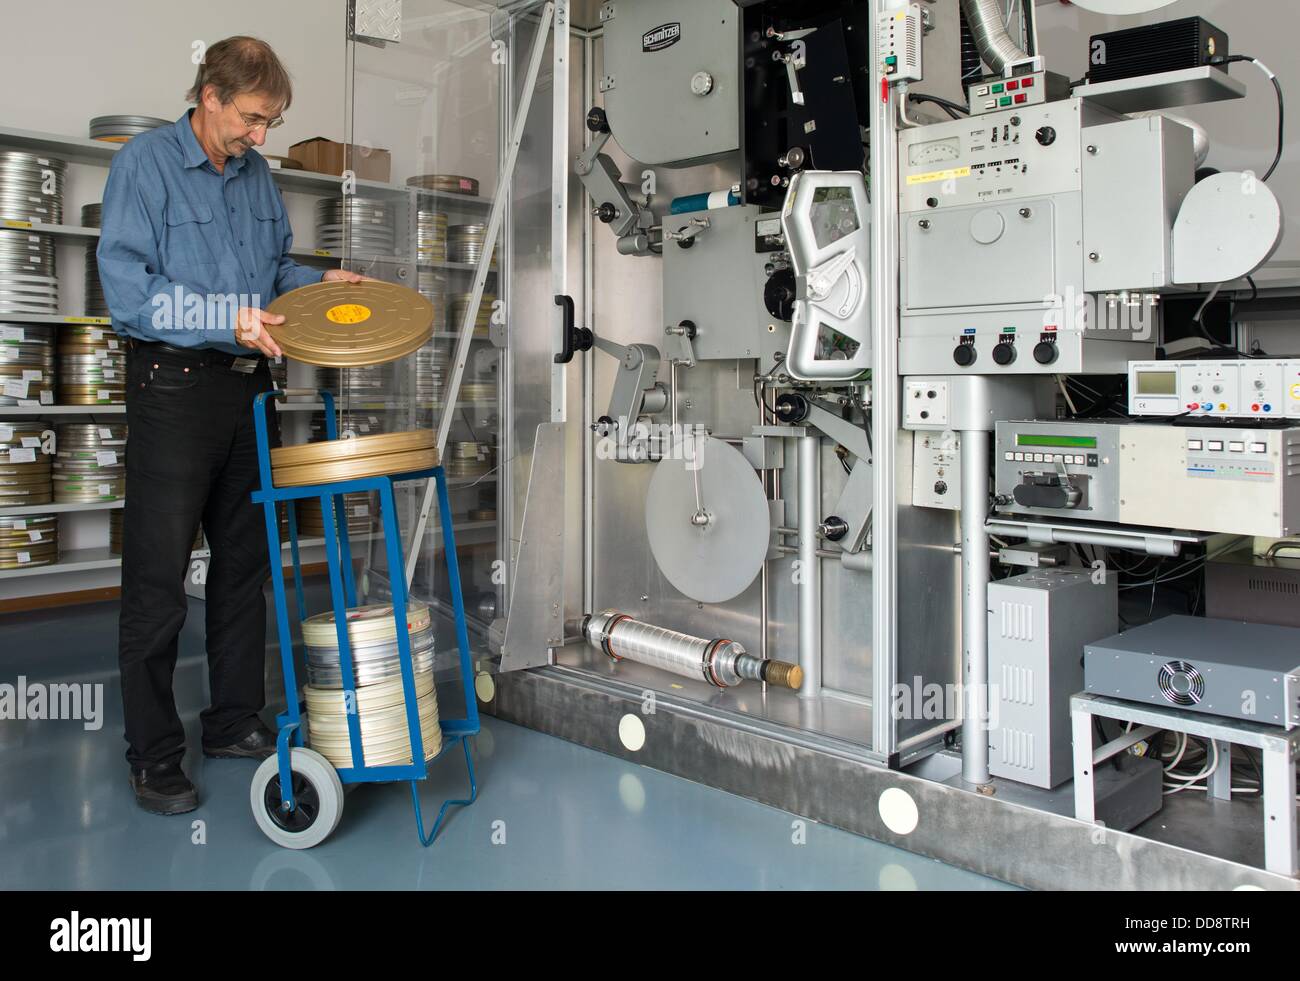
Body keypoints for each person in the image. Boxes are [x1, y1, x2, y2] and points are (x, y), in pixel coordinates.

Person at [97, 36, 363, 814]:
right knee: (158, 580)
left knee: (244, 569)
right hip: (173, 389)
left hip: (251, 390)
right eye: (252, 118)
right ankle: (152, 754)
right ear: (209, 95)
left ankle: (233, 721)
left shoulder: (256, 177)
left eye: (272, 121)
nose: (261, 136)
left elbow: (274, 269)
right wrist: (229, 317)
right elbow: (131, 295)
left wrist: (316, 283)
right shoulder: (142, 166)